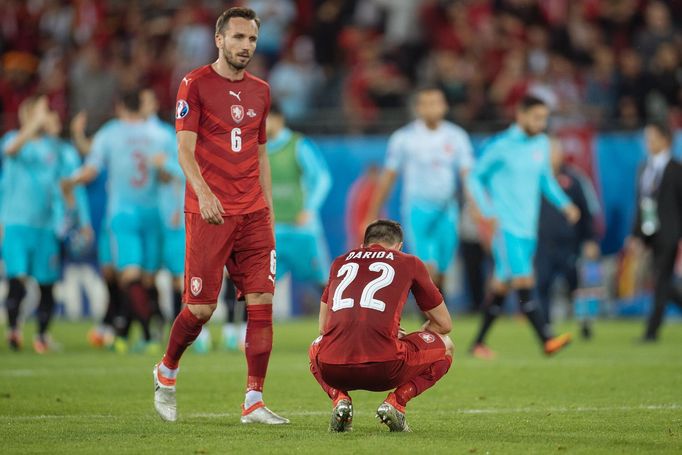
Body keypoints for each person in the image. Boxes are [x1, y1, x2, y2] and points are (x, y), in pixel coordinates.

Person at [152, 7, 288, 425]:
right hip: (208, 212)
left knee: (262, 303)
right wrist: (204, 193)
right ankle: (167, 370)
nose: (245, 46)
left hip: (253, 213)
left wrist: (268, 209)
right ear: (219, 39)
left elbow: (261, 154)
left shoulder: (261, 91)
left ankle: (253, 400)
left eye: (251, 39)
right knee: (200, 309)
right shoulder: (194, 84)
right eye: (238, 38)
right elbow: (184, 151)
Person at [309, 220, 453, 432]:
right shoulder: (409, 262)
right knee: (447, 345)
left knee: (316, 346)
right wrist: (403, 336)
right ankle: (397, 402)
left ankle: (339, 399)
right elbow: (444, 324)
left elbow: (323, 328)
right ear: (399, 247)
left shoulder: (339, 262)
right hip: (386, 367)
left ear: (363, 245)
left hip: (334, 370)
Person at [467, 95, 580, 359]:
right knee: (524, 280)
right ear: (520, 115)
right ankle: (546, 339)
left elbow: (546, 181)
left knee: (500, 287)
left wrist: (565, 204)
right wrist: (486, 210)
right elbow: (474, 177)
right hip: (506, 228)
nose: (542, 124)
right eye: (537, 118)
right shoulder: (501, 146)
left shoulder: (540, 144)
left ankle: (478, 343)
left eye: (545, 118)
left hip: (529, 229)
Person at [63, 89, 170, 354]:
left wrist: (70, 181)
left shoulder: (110, 132)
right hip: (154, 213)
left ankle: (147, 335)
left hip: (123, 213)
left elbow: (91, 170)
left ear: (121, 107)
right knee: (147, 278)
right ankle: (145, 329)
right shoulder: (162, 135)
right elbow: (168, 176)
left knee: (130, 275)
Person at [1, 96, 91, 352]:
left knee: (47, 283)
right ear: (29, 115)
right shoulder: (13, 140)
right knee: (17, 279)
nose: (48, 115)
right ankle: (14, 331)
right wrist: (32, 124)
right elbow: (10, 151)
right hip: (17, 223)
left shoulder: (58, 150)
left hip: (47, 226)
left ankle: (41, 336)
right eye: (42, 111)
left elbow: (68, 185)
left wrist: (77, 212)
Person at [365, 86, 474, 294]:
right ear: (418, 108)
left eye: (436, 103)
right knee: (426, 267)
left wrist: (476, 208)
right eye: (426, 104)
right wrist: (373, 211)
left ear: (444, 106)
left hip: (447, 210)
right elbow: (388, 176)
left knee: (443, 269)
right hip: (417, 209)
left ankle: (434, 311)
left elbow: (467, 175)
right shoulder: (404, 138)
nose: (432, 108)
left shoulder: (456, 136)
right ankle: (433, 318)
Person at [535, 139, 600, 337]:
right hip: (542, 243)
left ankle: (584, 322)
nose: (552, 155)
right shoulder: (535, 178)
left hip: (569, 244)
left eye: (555, 150)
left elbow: (587, 211)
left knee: (575, 285)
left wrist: (590, 239)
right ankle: (546, 327)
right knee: (543, 284)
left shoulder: (574, 178)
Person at [267, 103, 332, 291]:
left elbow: (322, 179)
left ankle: (335, 320)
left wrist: (309, 209)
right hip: (272, 229)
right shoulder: (257, 148)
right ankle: (244, 322)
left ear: (278, 119)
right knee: (259, 284)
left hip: (301, 228)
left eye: (265, 119)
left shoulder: (299, 145)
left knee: (322, 282)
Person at [627, 121, 682, 342]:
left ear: (665, 140)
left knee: (661, 280)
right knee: (663, 282)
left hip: (670, 233)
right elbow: (641, 205)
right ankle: (652, 330)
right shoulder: (644, 168)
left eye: (652, 138)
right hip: (650, 234)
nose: (648, 143)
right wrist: (636, 235)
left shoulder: (677, 170)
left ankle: (651, 332)